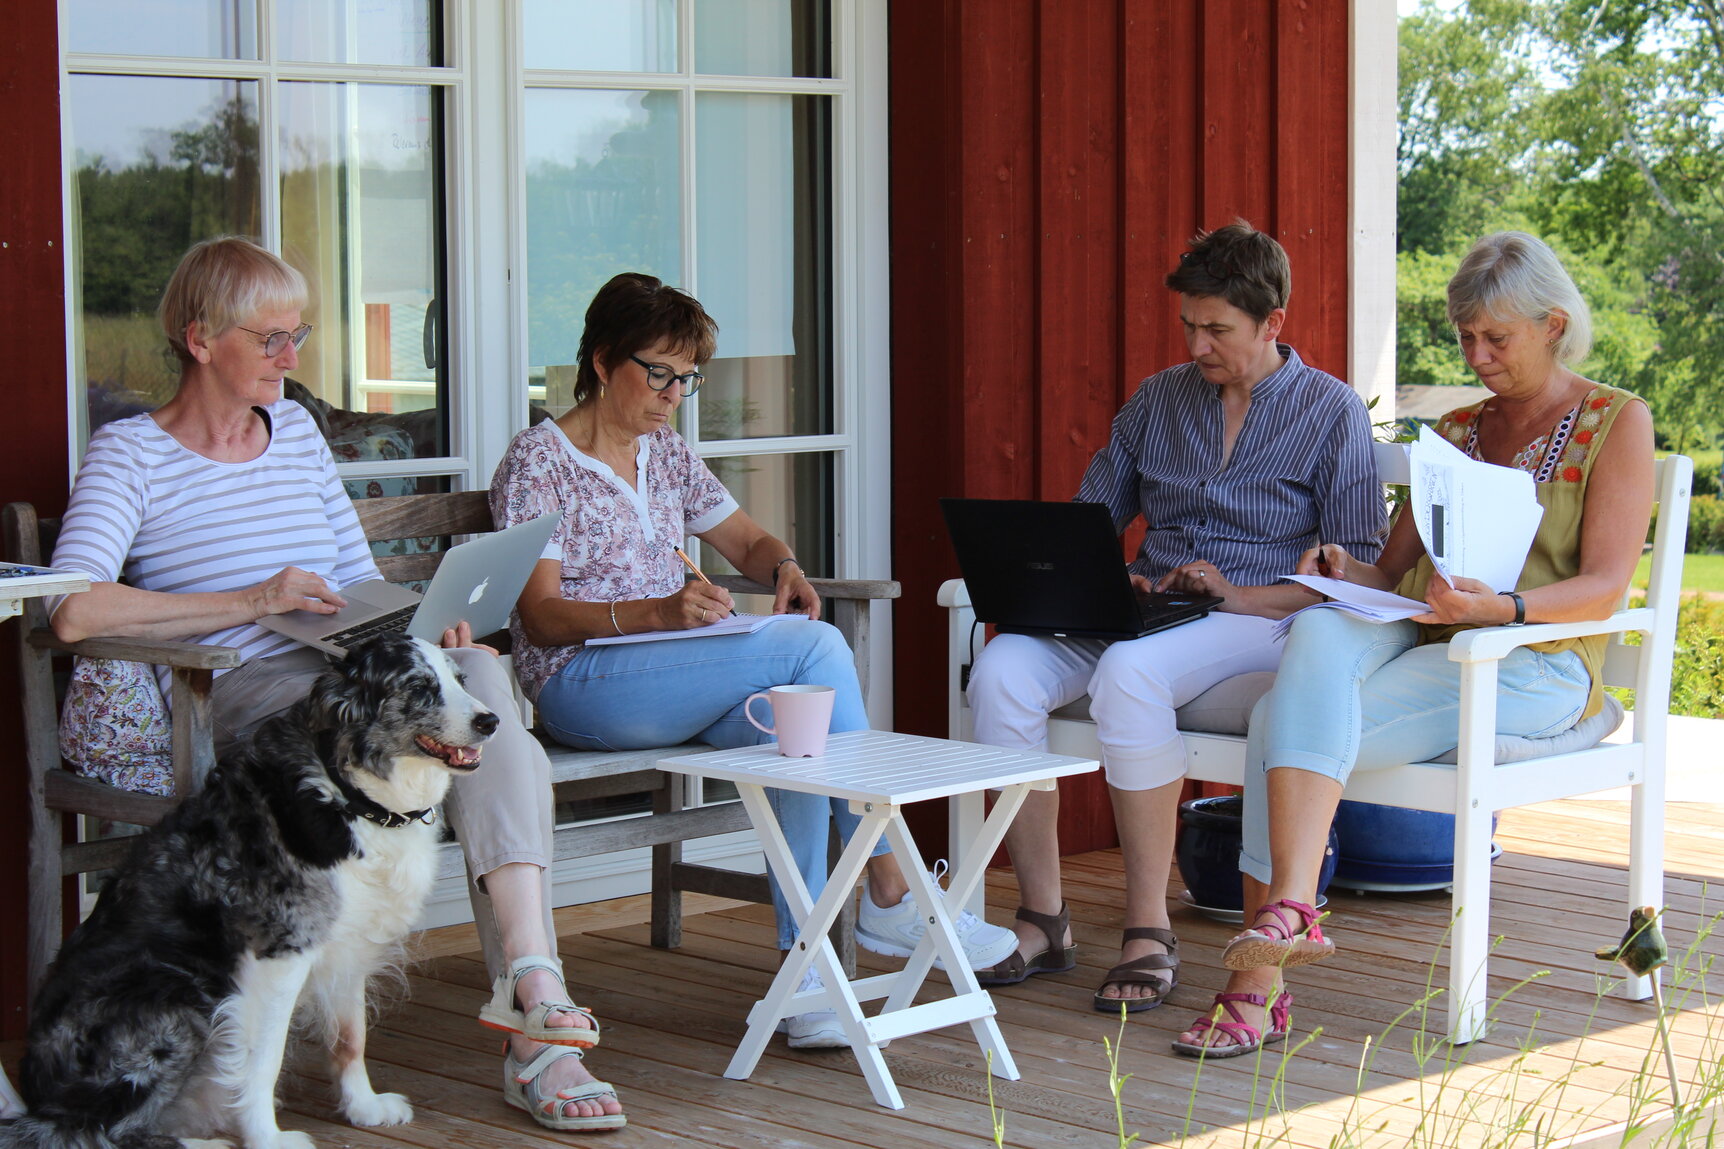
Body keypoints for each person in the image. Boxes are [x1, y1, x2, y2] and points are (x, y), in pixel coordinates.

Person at [50, 237, 625, 1133]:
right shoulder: (132, 454)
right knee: (428, 724)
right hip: (240, 685)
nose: (293, 356)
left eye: (298, 333)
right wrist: (252, 597)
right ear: (200, 338)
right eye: (270, 337)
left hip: (348, 669)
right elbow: (75, 611)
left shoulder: (299, 436)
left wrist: (427, 630)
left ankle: (533, 986)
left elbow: (360, 580)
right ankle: (512, 1032)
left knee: (478, 674)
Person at [489, 272, 1017, 1050]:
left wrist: (784, 568)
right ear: (603, 361)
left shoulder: (664, 452)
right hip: (585, 683)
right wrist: (660, 613)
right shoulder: (542, 460)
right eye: (658, 372)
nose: (673, 393)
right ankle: (890, 885)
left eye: (686, 377)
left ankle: (803, 981)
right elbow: (538, 613)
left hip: (676, 674)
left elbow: (745, 540)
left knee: (799, 725)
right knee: (817, 646)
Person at [1172, 231, 1655, 1058]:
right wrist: (1339, 564)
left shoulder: (1616, 420)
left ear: (1552, 323)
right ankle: (1289, 914)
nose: (1476, 356)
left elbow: (1606, 585)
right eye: (1466, 337)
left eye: (1494, 338)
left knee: (1280, 723)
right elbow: (1388, 569)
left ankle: (1259, 981)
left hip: (1533, 660)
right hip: (1430, 638)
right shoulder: (1461, 427)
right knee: (1321, 628)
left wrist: (1500, 608)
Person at [966, 221, 1386, 1012]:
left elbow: (1349, 570)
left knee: (1129, 672)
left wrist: (1237, 590)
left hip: (1258, 613)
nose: (1198, 344)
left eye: (1218, 328)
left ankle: (1147, 928)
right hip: (1149, 605)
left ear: (1273, 323)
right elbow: (1089, 518)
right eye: (1190, 325)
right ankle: (1043, 915)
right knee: (1000, 674)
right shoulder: (1157, 400)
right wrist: (1105, 573)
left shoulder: (1331, 412)